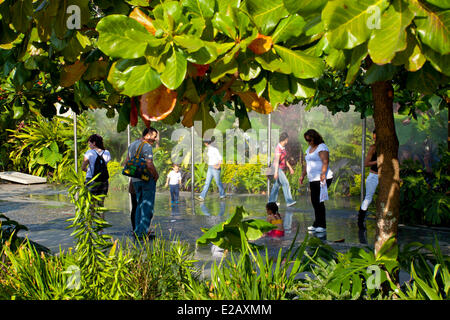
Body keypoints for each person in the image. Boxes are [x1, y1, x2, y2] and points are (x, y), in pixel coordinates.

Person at [125, 127, 159, 239]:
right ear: (148, 135)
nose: (155, 139)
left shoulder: (132, 145)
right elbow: (149, 164)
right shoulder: (147, 146)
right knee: (147, 207)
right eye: (154, 136)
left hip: (135, 180)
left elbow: (126, 162)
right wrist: (156, 175)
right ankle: (142, 233)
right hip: (146, 179)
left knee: (139, 205)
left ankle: (137, 230)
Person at [300, 129, 333, 233]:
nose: (308, 142)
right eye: (307, 140)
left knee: (319, 201)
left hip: (323, 178)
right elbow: (307, 164)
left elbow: (325, 161)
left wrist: (323, 174)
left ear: (315, 137)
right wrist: (302, 175)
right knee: (314, 201)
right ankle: (316, 223)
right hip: (312, 179)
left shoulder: (322, 147)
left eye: (309, 140)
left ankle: (322, 225)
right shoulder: (309, 148)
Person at [81, 134, 111, 210]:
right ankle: (101, 221)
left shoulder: (89, 153)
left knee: (90, 204)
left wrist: (88, 170)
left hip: (92, 180)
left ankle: (90, 222)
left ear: (94, 143)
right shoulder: (107, 152)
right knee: (101, 204)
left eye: (89, 143)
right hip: (104, 180)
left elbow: (83, 167)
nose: (89, 145)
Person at [269, 132, 296, 207]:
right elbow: (277, 161)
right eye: (287, 140)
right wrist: (276, 172)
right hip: (277, 168)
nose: (287, 141)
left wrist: (290, 168)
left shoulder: (283, 148)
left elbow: (284, 159)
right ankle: (289, 201)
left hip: (280, 168)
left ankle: (271, 202)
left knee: (276, 185)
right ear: (284, 139)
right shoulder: (278, 148)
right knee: (285, 183)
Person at [358, 130, 378, 230]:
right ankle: (360, 221)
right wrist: (377, 161)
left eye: (376, 138)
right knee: (368, 198)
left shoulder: (388, 147)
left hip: (385, 177)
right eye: (373, 138)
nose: (374, 140)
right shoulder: (373, 148)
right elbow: (366, 163)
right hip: (374, 176)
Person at [197, 136, 226, 201]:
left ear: (206, 143)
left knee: (218, 182)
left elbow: (220, 158)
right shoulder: (208, 149)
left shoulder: (214, 149)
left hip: (215, 168)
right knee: (207, 182)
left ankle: (222, 195)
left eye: (205, 143)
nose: (204, 144)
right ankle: (202, 197)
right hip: (210, 168)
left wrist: (218, 166)